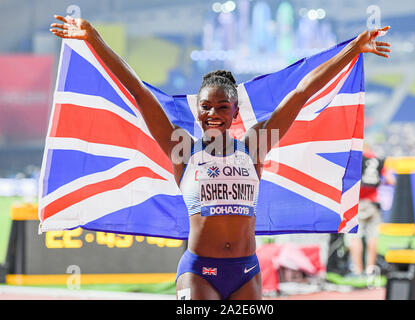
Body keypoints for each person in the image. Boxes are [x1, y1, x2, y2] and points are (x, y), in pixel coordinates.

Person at [49, 15, 390, 299]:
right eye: (206, 106)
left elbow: (301, 93)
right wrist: (94, 40)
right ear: (197, 110)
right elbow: (136, 90)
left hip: (246, 271)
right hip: (200, 272)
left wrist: (354, 49)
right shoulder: (181, 147)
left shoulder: (255, 145)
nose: (213, 113)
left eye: (222, 106)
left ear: (235, 110)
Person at [347, 144, 396, 276]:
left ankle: (357, 271)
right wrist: (380, 183)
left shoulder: (356, 158)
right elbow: (391, 180)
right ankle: (370, 270)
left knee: (354, 237)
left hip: (357, 202)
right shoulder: (379, 160)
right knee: (372, 238)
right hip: (374, 203)